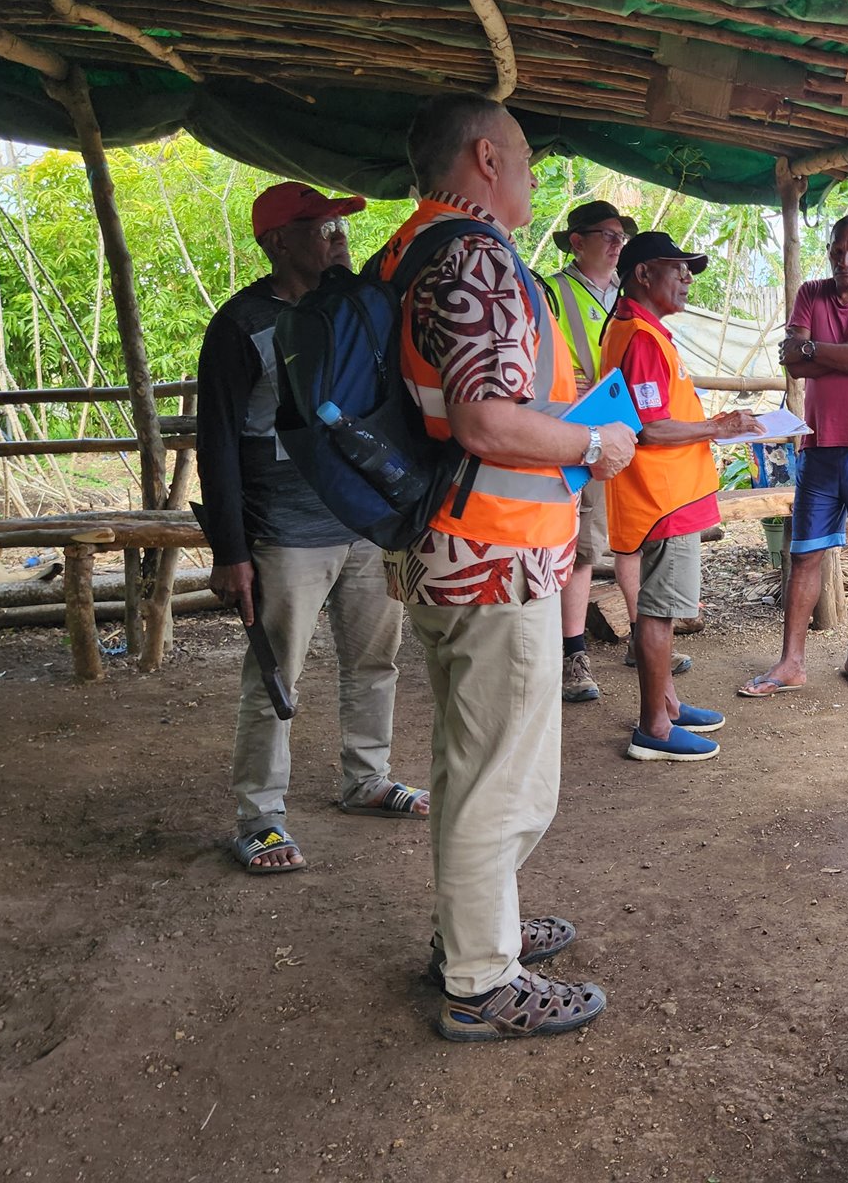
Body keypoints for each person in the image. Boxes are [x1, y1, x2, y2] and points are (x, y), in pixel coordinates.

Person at [373, 93, 636, 1041]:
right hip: (496, 554)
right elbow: (487, 418)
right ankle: (483, 982)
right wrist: (591, 440)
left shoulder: (409, 249)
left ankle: (471, 933)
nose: (531, 175)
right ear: (486, 158)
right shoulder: (475, 257)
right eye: (524, 157)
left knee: (467, 759)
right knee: (504, 775)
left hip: (448, 548)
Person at [197, 181, 418, 875]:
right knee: (276, 675)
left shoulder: (357, 311)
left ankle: (367, 778)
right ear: (276, 242)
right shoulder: (240, 326)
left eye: (339, 228)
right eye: (321, 229)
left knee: (375, 658)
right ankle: (259, 817)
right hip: (285, 529)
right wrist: (231, 551)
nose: (338, 239)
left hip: (365, 520)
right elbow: (218, 444)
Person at [600, 231, 760, 761]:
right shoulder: (642, 339)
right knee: (660, 613)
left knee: (659, 609)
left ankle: (665, 704)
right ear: (643, 274)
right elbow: (651, 428)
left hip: (664, 497)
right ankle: (654, 729)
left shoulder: (641, 330)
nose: (688, 277)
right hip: (661, 500)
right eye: (678, 267)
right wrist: (719, 425)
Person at [738, 214, 848, 698]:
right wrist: (846, 350)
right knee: (805, 552)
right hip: (820, 444)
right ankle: (791, 662)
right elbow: (793, 363)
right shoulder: (811, 293)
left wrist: (816, 347)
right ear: (830, 252)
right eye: (838, 251)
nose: (846, 260)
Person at [541, 199, 634, 705]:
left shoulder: (628, 293)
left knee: (631, 534)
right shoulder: (552, 291)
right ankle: (572, 653)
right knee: (580, 546)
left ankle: (644, 635)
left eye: (622, 237)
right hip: (578, 433)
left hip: (628, 429)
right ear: (576, 242)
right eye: (608, 235)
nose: (618, 244)